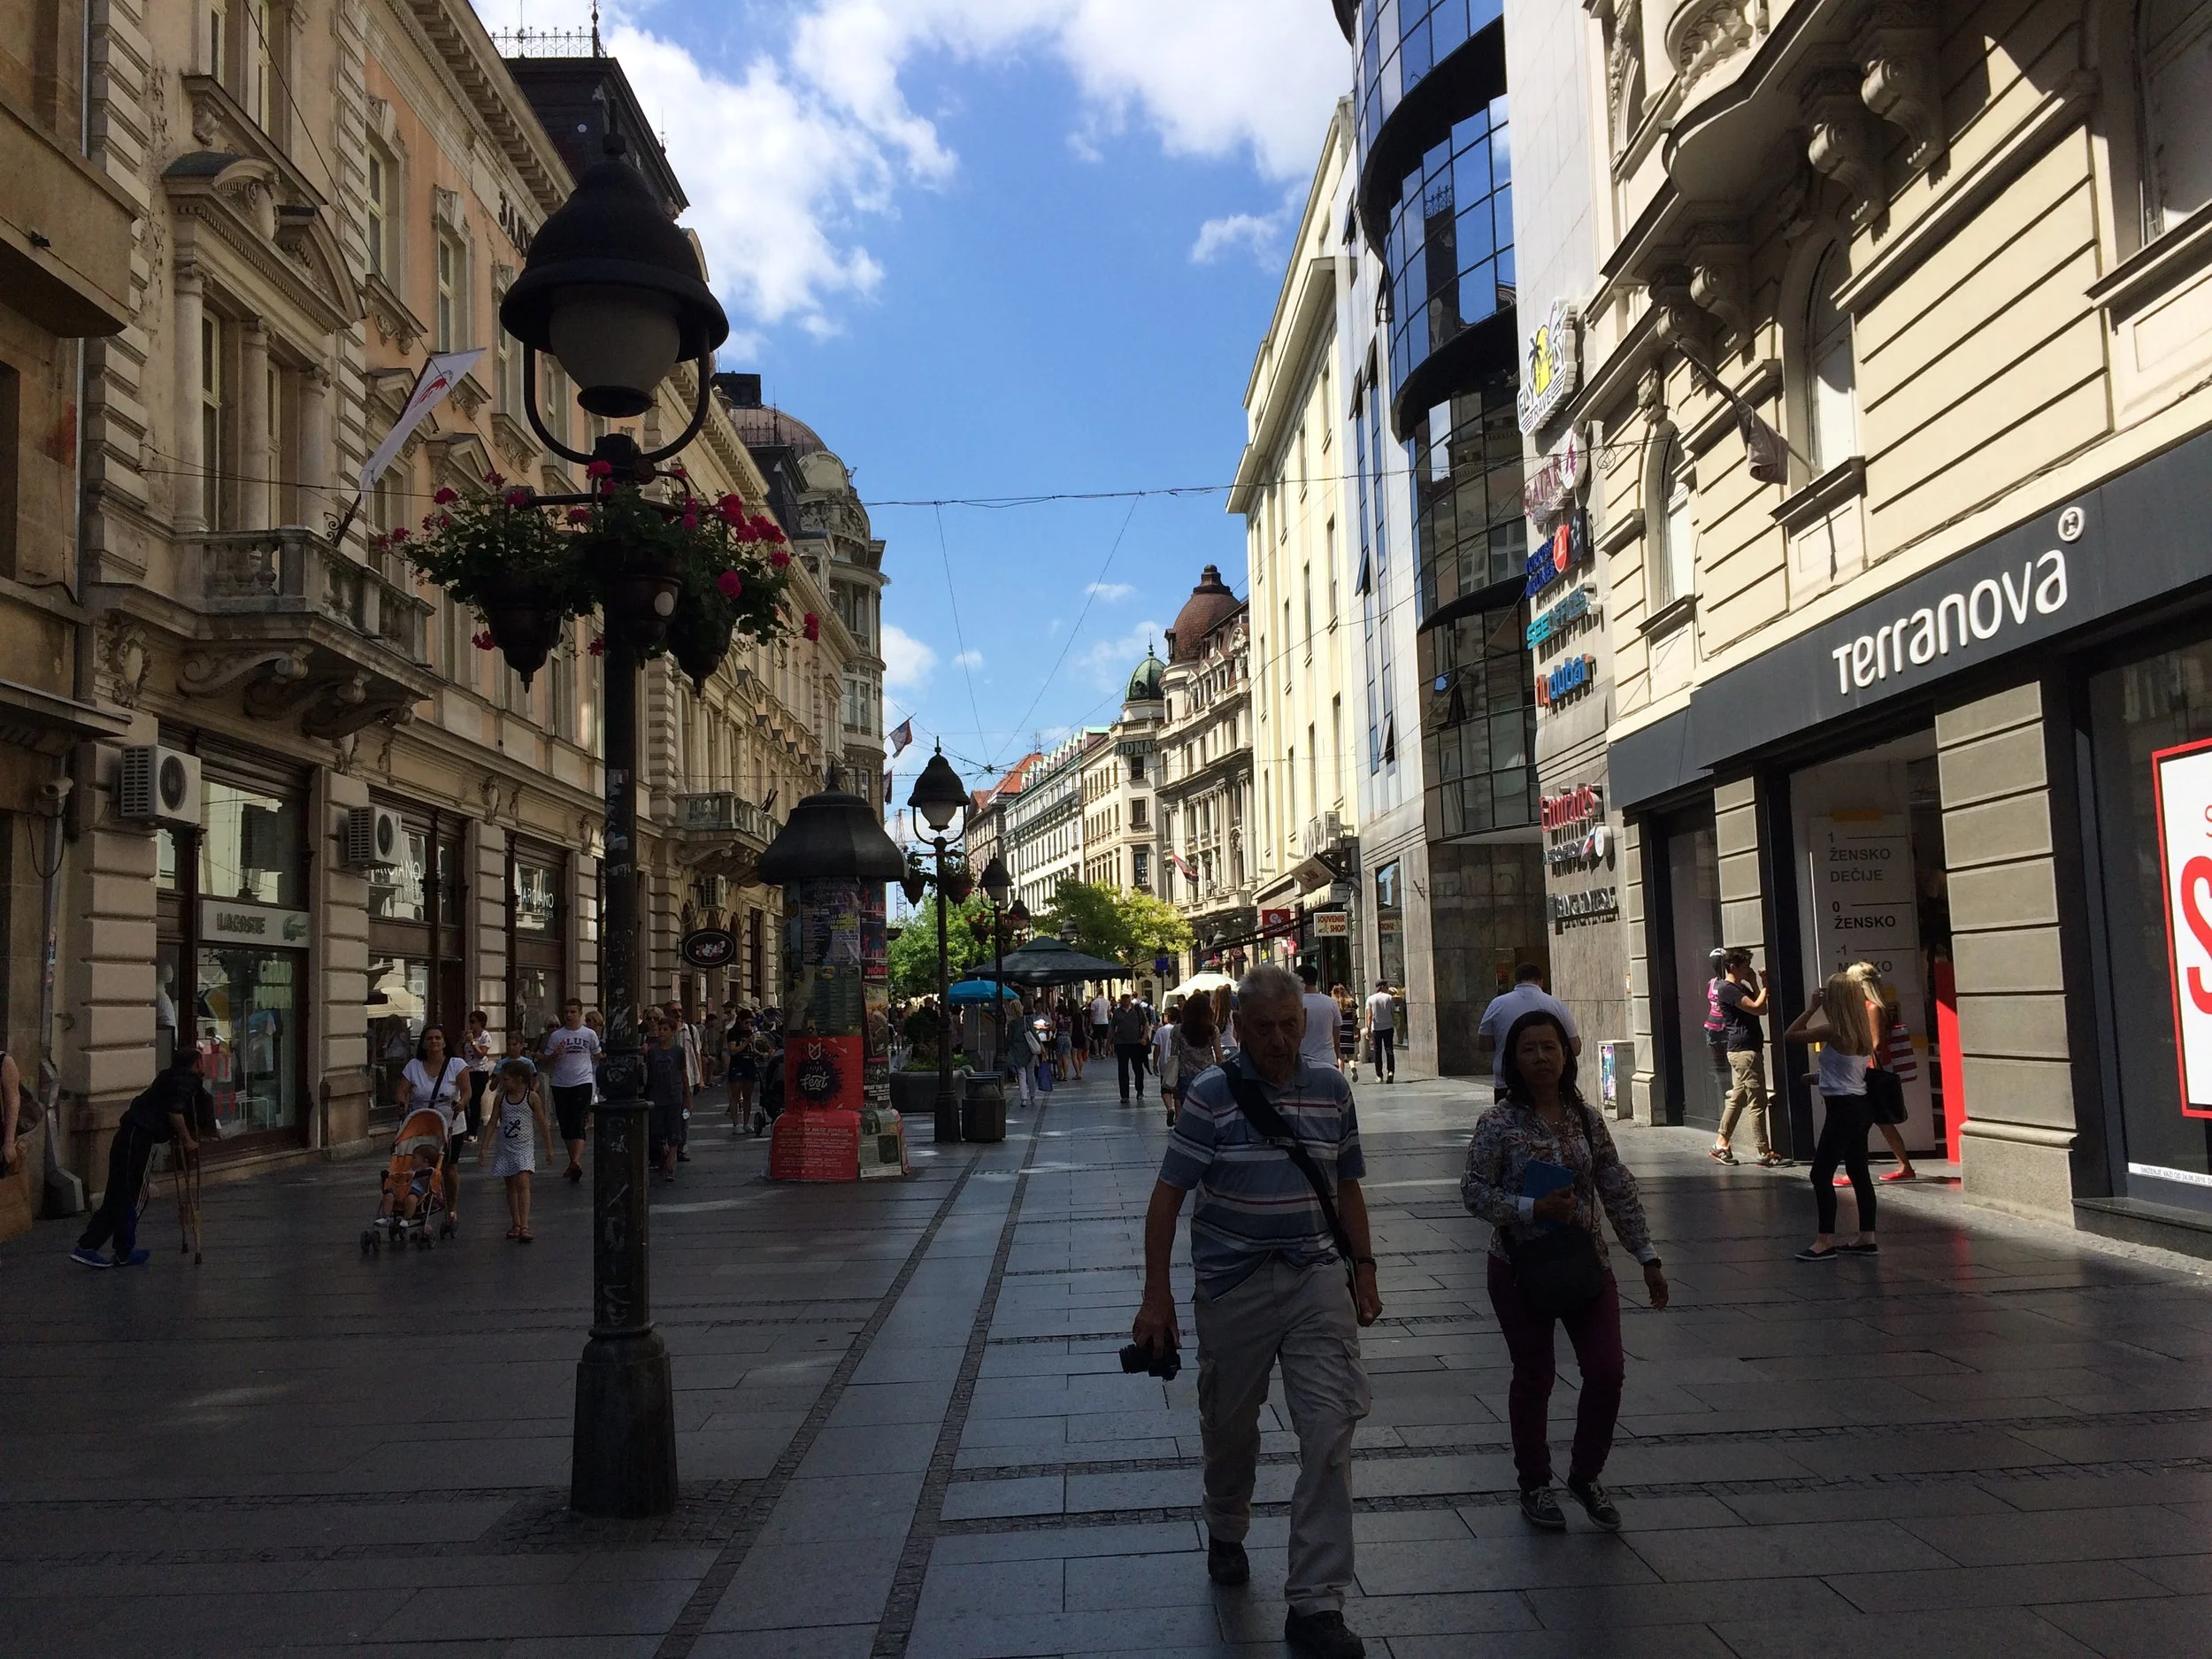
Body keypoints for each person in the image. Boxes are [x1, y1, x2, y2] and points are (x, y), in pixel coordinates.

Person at [1133, 964, 1379, 1659]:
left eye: (1290, 1025)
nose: (1279, 1039)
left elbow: (1347, 1184)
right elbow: (1167, 1197)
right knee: (1230, 1425)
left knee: (1330, 1426)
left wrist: (1364, 1268)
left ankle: (1316, 1601)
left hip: (1315, 1278)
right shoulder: (1211, 1096)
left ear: (1305, 1022)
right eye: (1264, 1027)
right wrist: (1157, 1295)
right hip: (1233, 1284)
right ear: (1237, 1027)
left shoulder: (1332, 1089)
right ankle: (1226, 1521)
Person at [1461, 1010, 1667, 1533]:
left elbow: (1615, 1184)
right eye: (1528, 1049)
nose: (1541, 1058)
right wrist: (1530, 1209)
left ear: (1565, 1054)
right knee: (1535, 1376)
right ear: (1513, 1060)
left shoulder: (1586, 1118)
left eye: (1549, 1047)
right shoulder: (1497, 1123)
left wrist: (1646, 1255)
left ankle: (1585, 1474)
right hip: (1520, 1267)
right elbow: (1474, 1192)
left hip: (1584, 1262)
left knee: (1606, 1371)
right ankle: (1534, 1482)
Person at [73, 1048, 208, 1267]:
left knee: (118, 1194)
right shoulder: (186, 1080)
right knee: (133, 1195)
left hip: (128, 1135)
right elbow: (175, 1111)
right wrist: (187, 1140)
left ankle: (93, 1246)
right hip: (140, 1138)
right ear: (198, 1063)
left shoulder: (168, 1077)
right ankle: (119, 1249)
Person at [1785, 969, 1882, 1261]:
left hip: (1842, 1110)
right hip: (1860, 1105)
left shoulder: (1833, 1030)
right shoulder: (1861, 1029)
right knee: (1858, 1171)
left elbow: (1791, 1035)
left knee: (1820, 1173)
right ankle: (1867, 1237)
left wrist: (1811, 1008)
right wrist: (1819, 1077)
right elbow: (1849, 1071)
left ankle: (1824, 1241)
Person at [1710, 951, 1778, 1165]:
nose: (1749, 969)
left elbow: (1762, 1008)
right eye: (1746, 966)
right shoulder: (1728, 989)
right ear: (1733, 967)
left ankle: (1720, 1144)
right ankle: (1763, 1151)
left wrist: (1756, 984)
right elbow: (1757, 1007)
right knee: (1758, 1101)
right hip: (1744, 1051)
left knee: (1738, 1099)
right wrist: (1765, 985)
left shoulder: (1741, 988)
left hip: (1746, 1050)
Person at [403, 1025, 472, 1227]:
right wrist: (402, 1102)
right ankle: (422, 1209)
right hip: (422, 1125)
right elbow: (401, 1091)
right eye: (429, 1038)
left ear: (444, 1042)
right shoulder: (413, 1066)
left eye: (438, 1038)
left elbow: (467, 1091)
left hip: (450, 1125)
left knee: (448, 1169)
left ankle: (451, 1210)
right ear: (423, 1043)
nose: (434, 1041)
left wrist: (462, 1103)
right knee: (422, 1169)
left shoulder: (456, 1064)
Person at [1475, 964, 1580, 1087]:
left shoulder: (1497, 1004)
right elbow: (1575, 1047)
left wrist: (1506, 1042)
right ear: (1541, 981)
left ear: (1515, 981)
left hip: (1508, 1081)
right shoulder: (1556, 1005)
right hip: (1549, 1083)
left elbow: (1484, 1044)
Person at [541, 999, 600, 1184]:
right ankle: (572, 1161)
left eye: (573, 1012)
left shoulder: (589, 1034)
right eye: (566, 1012)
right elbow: (547, 1061)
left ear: (580, 1013)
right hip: (561, 1083)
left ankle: (576, 1161)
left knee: (579, 1121)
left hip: (582, 1081)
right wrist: (554, 1055)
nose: (569, 1015)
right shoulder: (556, 1036)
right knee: (566, 1125)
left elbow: (597, 1055)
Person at [1164, 996, 1221, 1131]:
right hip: (1209, 1076)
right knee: (1209, 1112)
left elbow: (1173, 1055)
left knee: (1189, 1112)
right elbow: (1219, 1056)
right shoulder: (1212, 1030)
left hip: (1186, 1076)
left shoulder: (1178, 1030)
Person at [645, 1014, 690, 1182]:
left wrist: (687, 1096)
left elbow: (683, 1073)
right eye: (660, 1029)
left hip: (674, 1095)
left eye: (665, 1029)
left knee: (674, 1129)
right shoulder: (652, 1052)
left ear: (673, 1032)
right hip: (656, 1095)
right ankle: (664, 1153)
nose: (661, 1032)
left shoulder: (678, 1051)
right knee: (657, 1130)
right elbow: (649, 1074)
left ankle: (671, 1164)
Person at [1298, 964, 1345, 1074]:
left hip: (1302, 1062)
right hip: (1328, 1060)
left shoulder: (1295, 1003)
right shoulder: (1331, 1003)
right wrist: (1336, 1057)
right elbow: (1336, 1038)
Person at [460, 1009, 495, 1145]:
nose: (471, 1025)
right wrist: (462, 1041)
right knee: (464, 1099)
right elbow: (458, 1053)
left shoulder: (485, 1036)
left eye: (473, 1022)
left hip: (479, 1072)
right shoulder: (468, 1036)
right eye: (469, 1022)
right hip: (467, 1071)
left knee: (474, 1100)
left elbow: (481, 1054)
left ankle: (473, 1132)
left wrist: (473, 1042)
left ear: (481, 1023)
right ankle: (465, 1128)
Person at [1110, 991, 1151, 1102]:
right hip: (1121, 1044)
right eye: (1123, 997)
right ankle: (1124, 1095)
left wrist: (1144, 1037)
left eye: (1127, 997)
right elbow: (1112, 1027)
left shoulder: (1137, 1009)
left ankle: (1140, 1090)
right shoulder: (1117, 1012)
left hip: (1136, 1044)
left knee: (1138, 1068)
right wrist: (1108, 1043)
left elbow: (1145, 1024)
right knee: (1122, 1069)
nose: (1125, 999)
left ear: (1130, 998)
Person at [726, 1010, 759, 1135]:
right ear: (740, 1021)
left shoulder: (750, 1032)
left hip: (749, 1064)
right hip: (737, 1065)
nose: (748, 1026)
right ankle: (735, 1124)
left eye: (751, 1023)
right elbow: (733, 1050)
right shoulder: (733, 1033)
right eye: (746, 1022)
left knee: (748, 1096)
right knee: (735, 1095)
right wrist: (746, 1042)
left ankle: (746, 1123)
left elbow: (754, 1049)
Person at [1363, 979, 1397, 1083]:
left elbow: (1369, 1016)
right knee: (1389, 1049)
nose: (1388, 987)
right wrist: (1392, 1022)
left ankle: (1379, 1075)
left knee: (1377, 1052)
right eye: (1386, 985)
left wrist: (1368, 1029)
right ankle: (1390, 1071)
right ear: (1382, 986)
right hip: (1388, 1027)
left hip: (1376, 1029)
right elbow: (1392, 1012)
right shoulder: (1389, 997)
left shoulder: (1370, 999)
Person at [1332, 985, 1358, 1071]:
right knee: (1350, 1056)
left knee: (1341, 1057)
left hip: (1339, 1032)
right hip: (1349, 1031)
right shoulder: (1351, 1003)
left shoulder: (1334, 1004)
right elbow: (1355, 1017)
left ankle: (1341, 1074)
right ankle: (1353, 1067)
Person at [1089, 988, 1112, 1060]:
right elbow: (1109, 1013)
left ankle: (1097, 1053)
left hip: (1096, 1022)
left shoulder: (1094, 1002)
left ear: (1097, 993)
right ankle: (1104, 1053)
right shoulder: (1107, 1002)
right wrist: (1107, 1019)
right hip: (1105, 1022)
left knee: (1095, 1037)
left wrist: (1090, 1023)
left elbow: (1092, 1014)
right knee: (1105, 1037)